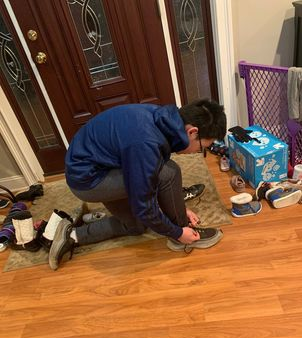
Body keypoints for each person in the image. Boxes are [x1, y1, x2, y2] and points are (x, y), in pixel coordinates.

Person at [49, 99, 227, 270]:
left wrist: (177, 206)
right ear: (192, 132)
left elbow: (147, 176)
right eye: (202, 146)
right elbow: (144, 206)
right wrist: (177, 232)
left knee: (136, 227)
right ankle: (182, 234)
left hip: (99, 165)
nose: (198, 151)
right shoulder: (146, 143)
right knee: (169, 172)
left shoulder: (162, 117)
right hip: (89, 180)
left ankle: (71, 235)